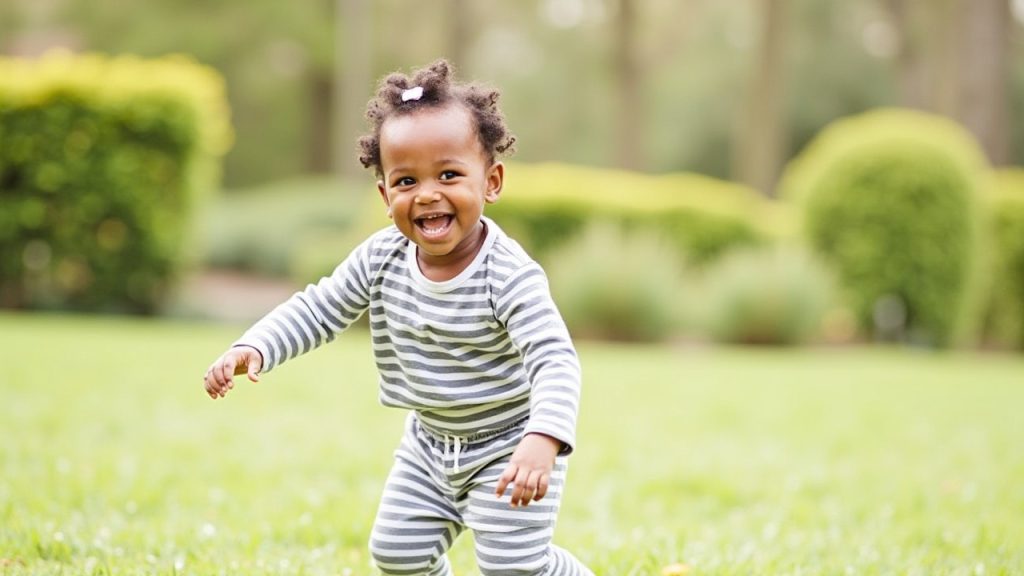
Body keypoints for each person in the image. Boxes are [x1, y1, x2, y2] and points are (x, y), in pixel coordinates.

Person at [202, 60, 592, 575]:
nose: (428, 193)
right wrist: (254, 347)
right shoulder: (380, 258)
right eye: (407, 180)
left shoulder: (508, 274)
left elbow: (554, 359)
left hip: (510, 446)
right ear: (386, 196)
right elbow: (320, 307)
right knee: (397, 554)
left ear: (492, 181)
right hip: (428, 447)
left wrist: (543, 439)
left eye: (449, 174)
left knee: (513, 568)